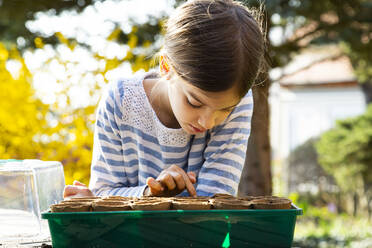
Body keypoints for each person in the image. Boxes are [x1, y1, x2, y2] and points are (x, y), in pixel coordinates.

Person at [63, 0, 266, 199]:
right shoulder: (120, 101)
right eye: (195, 102)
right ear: (166, 67)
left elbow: (215, 203)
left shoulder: (239, 100)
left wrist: (153, 201)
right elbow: (102, 193)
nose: (207, 122)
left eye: (225, 110)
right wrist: (149, 193)